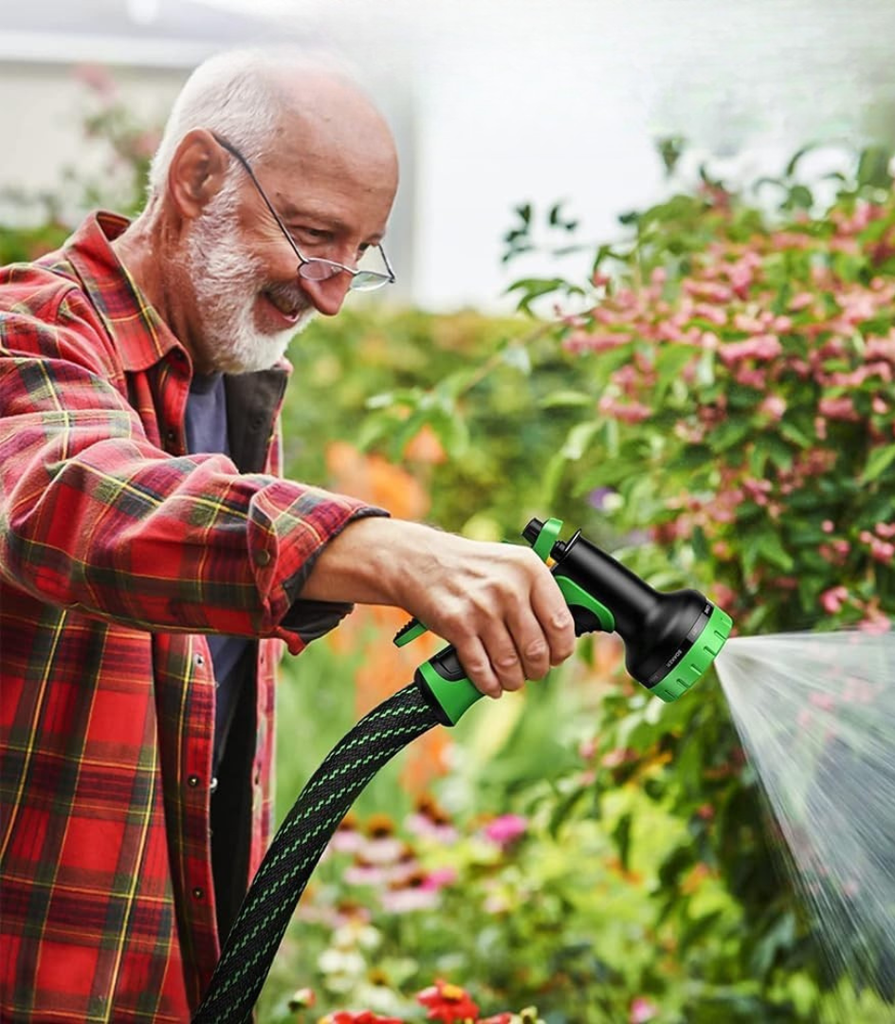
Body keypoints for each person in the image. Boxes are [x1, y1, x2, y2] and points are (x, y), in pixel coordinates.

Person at [0, 48, 575, 1022]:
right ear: (195, 179)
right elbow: (72, 498)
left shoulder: (235, 388)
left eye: (360, 252)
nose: (334, 293)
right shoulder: (29, 333)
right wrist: (387, 549)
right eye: (314, 237)